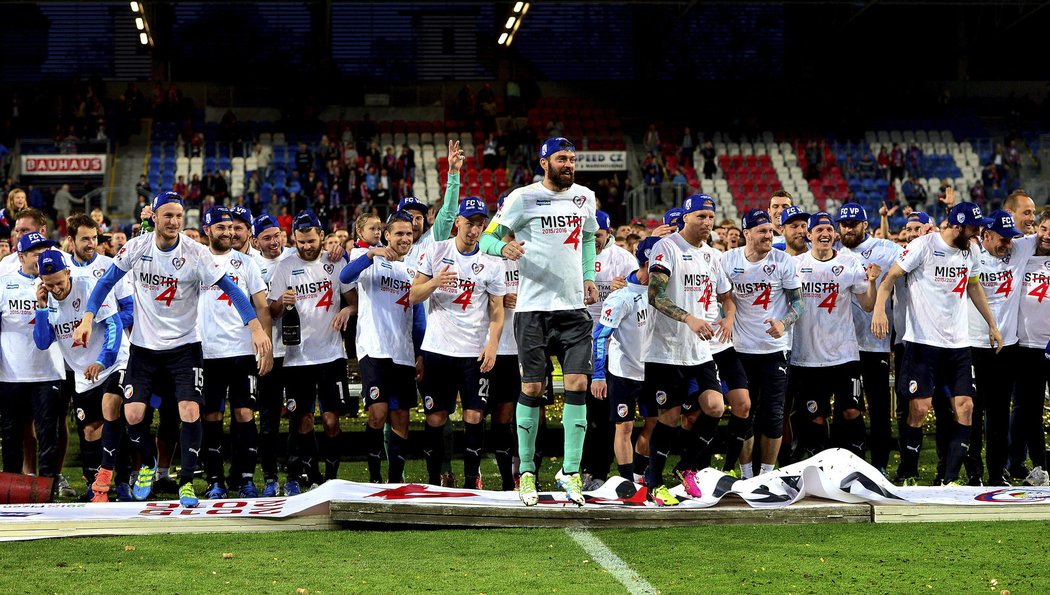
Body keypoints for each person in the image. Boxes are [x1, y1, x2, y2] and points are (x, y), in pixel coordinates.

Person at [74, 192, 272, 507]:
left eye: (179, 216)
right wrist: (87, 318)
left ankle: (187, 483)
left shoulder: (196, 253)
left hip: (185, 347)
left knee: (190, 410)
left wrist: (255, 326)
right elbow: (106, 282)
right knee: (133, 414)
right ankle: (150, 464)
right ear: (154, 217)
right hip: (144, 347)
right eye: (168, 215)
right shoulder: (137, 248)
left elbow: (232, 289)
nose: (174, 222)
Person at [480, 137, 599, 506]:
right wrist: (504, 247)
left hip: (573, 310)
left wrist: (588, 275)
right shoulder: (522, 198)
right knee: (532, 390)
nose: (569, 165)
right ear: (544, 162)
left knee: (578, 382)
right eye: (562, 159)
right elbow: (487, 239)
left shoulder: (585, 197)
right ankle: (527, 471)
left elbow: (589, 236)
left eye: (573, 159)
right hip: (532, 310)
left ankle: (572, 471)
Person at [872, 196, 1003, 485]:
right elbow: (890, 277)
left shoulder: (971, 252)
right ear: (958, 227)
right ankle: (907, 470)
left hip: (958, 344)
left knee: (966, 407)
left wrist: (992, 324)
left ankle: (949, 478)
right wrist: (880, 308)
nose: (978, 234)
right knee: (919, 409)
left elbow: (974, 285)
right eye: (974, 228)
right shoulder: (924, 246)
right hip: (922, 342)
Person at [643, 194, 734, 505]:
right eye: (700, 216)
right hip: (666, 349)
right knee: (667, 418)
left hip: (700, 348)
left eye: (710, 217)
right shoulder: (666, 248)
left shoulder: (712, 255)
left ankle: (687, 466)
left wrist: (729, 318)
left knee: (715, 407)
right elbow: (655, 295)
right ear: (685, 217)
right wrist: (690, 318)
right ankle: (654, 481)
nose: (707, 222)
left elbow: (726, 295)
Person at [411, 198, 505, 488]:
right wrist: (435, 282)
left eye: (480, 224)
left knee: (474, 414)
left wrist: (492, 345)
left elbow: (498, 310)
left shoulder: (491, 262)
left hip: (473, 352)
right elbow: (414, 295)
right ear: (457, 223)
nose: (475, 230)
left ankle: (470, 481)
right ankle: (434, 481)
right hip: (437, 349)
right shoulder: (435, 251)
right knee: (436, 417)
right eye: (470, 223)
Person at [267, 210, 353, 495]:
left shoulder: (335, 260)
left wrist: (347, 310)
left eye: (311, 241)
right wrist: (281, 300)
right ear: (294, 239)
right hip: (297, 358)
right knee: (301, 419)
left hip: (331, 355)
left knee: (331, 421)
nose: (306, 246)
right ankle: (309, 472)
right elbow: (272, 311)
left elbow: (354, 301)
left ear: (321, 236)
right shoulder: (284, 267)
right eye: (301, 242)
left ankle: (332, 475)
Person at [34, 249, 130, 502]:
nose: (56, 289)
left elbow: (114, 325)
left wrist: (102, 361)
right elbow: (43, 342)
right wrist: (42, 308)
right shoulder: (48, 299)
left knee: (113, 411)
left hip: (112, 362)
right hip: (82, 371)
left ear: (68, 272)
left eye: (59, 282)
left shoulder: (90, 287)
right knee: (89, 430)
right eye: (49, 285)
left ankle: (122, 481)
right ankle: (94, 485)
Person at [340, 211, 424, 484]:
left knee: (401, 417)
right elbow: (344, 276)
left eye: (408, 234)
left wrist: (420, 353)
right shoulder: (365, 258)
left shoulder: (413, 268)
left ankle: (395, 480)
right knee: (377, 413)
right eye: (398, 233)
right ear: (387, 235)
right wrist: (371, 254)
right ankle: (374, 478)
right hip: (374, 348)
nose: (404, 238)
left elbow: (418, 314)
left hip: (403, 351)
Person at [789, 212, 880, 459]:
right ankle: (820, 469)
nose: (825, 233)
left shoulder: (850, 263)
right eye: (818, 230)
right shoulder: (796, 266)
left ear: (835, 235)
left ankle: (857, 468)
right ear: (809, 235)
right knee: (815, 416)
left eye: (829, 229)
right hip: (807, 357)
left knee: (852, 411)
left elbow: (868, 305)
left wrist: (871, 282)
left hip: (844, 354)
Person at [721, 209, 803, 477]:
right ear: (747, 234)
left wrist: (784, 323)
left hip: (774, 350)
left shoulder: (783, 262)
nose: (769, 235)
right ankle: (746, 474)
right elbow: (722, 297)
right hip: (739, 350)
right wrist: (727, 319)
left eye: (770, 230)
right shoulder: (728, 260)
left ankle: (766, 474)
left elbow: (798, 303)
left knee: (773, 414)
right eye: (762, 231)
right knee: (743, 412)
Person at [197, 207, 271, 499]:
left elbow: (262, 305)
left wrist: (265, 344)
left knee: (244, 414)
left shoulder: (245, 263)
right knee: (211, 416)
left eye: (231, 227)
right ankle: (215, 480)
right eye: (220, 228)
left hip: (241, 351)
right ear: (207, 230)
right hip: (206, 350)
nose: (228, 233)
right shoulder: (195, 261)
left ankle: (245, 478)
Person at [967, 211, 1033, 485]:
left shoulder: (1019, 248)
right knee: (972, 411)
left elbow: (1043, 233)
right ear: (986, 236)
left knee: (998, 414)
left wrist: (1030, 219)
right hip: (974, 345)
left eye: (1011, 239)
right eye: (1003, 240)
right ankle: (973, 473)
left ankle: (997, 473)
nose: (1009, 244)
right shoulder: (970, 255)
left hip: (1008, 347)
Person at [836, 202, 902, 474]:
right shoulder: (832, 250)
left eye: (854, 224)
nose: (848, 228)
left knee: (878, 409)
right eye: (844, 224)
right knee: (847, 408)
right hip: (842, 344)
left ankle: (880, 466)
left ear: (865, 224)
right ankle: (849, 465)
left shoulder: (886, 249)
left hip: (875, 341)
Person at [0, 233, 65, 499]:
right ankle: (10, 491)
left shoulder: (58, 284)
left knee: (50, 435)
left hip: (48, 371)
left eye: (44, 251)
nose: (40, 257)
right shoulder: (4, 283)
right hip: (11, 374)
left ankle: (47, 490)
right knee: (11, 437)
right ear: (21, 256)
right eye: (34, 253)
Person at [581, 209, 635, 488]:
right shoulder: (573, 255)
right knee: (582, 413)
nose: (593, 241)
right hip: (578, 342)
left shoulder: (624, 260)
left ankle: (599, 471)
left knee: (603, 414)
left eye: (598, 236)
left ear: (609, 233)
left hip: (611, 347)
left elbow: (642, 296)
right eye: (589, 236)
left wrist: (627, 286)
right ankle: (580, 469)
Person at [591, 239, 650, 484]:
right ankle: (627, 481)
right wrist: (598, 374)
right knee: (623, 427)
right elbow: (600, 336)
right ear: (646, 265)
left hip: (654, 369)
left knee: (655, 424)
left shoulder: (664, 293)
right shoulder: (621, 297)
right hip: (624, 371)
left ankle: (639, 476)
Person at [250, 213, 295, 497]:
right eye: (266, 237)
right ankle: (269, 477)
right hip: (267, 352)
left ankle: (294, 474)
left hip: (297, 353)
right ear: (256, 241)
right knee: (268, 420)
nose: (273, 241)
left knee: (297, 416)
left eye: (276, 235)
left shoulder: (294, 258)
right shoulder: (251, 265)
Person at [1009, 208, 1050, 484]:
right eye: (1045, 228)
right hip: (1026, 347)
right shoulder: (1022, 257)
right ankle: (1040, 467)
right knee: (1030, 410)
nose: (1047, 235)